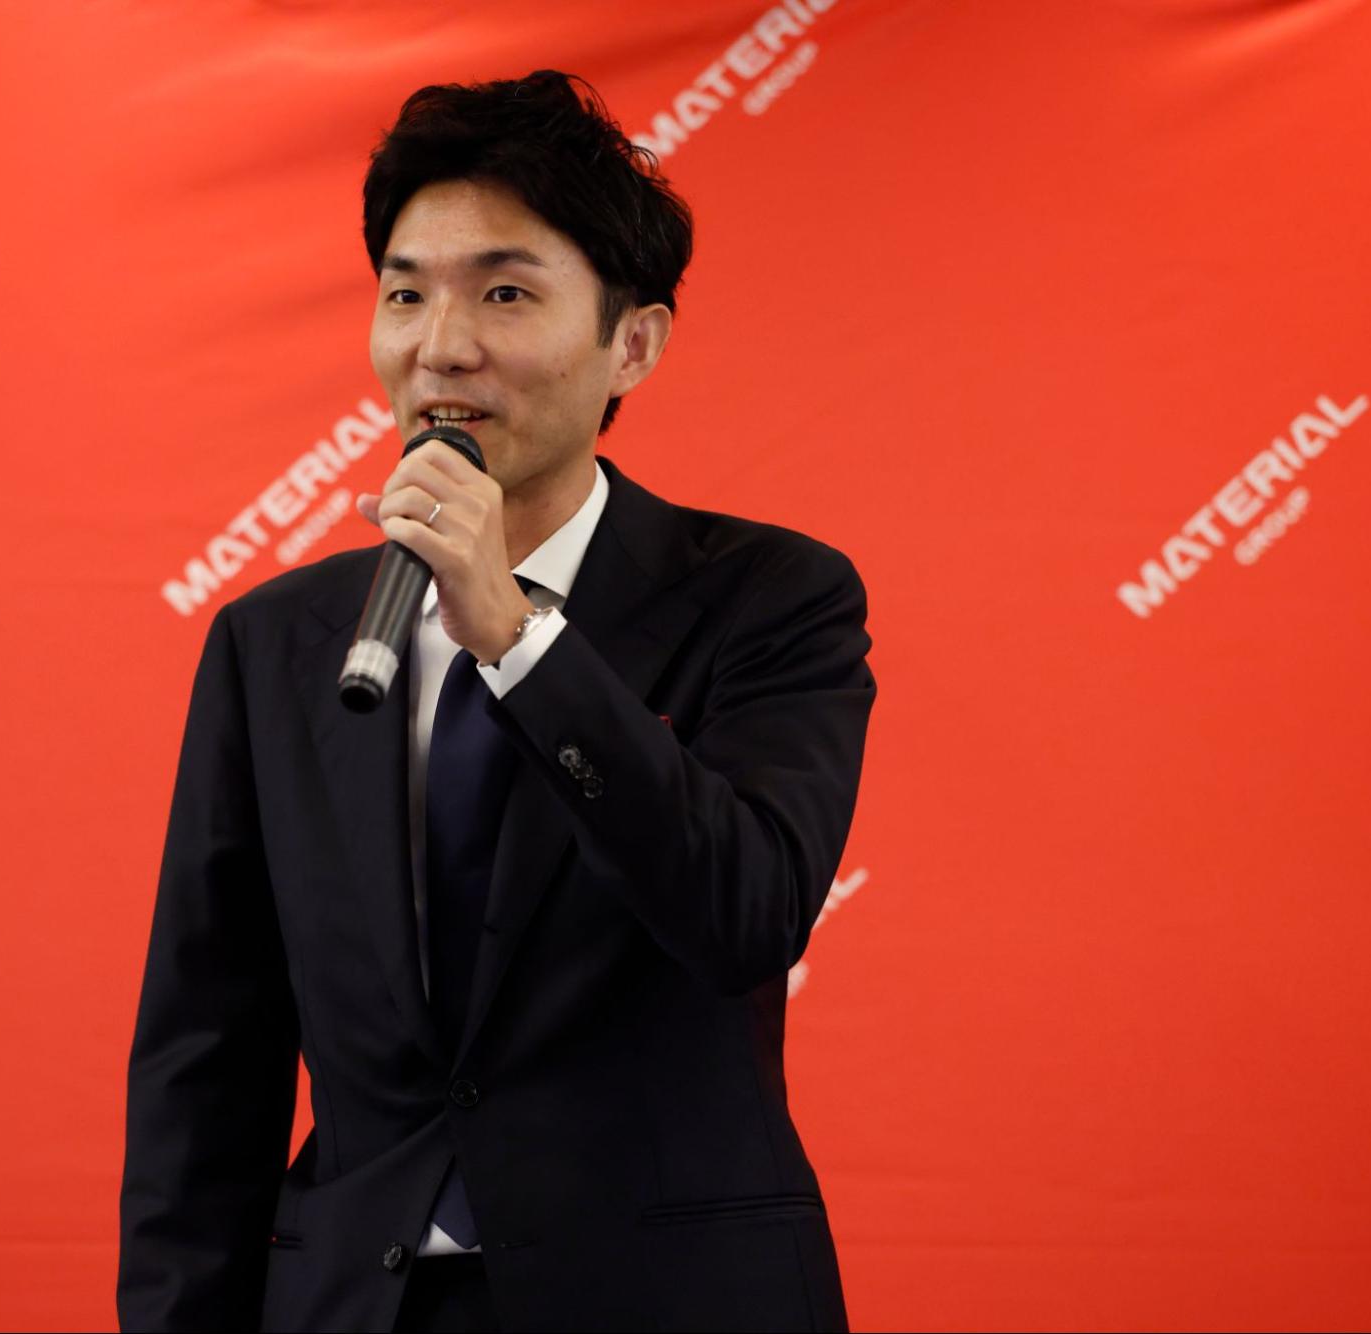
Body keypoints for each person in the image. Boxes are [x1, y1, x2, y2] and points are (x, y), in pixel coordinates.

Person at [117, 70, 874, 1333]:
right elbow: (208, 1053)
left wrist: (519, 639)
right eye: (405, 292)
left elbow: (744, 910)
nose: (440, 346)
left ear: (633, 342)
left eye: (504, 293)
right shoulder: (277, 642)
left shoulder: (768, 595)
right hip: (357, 1302)